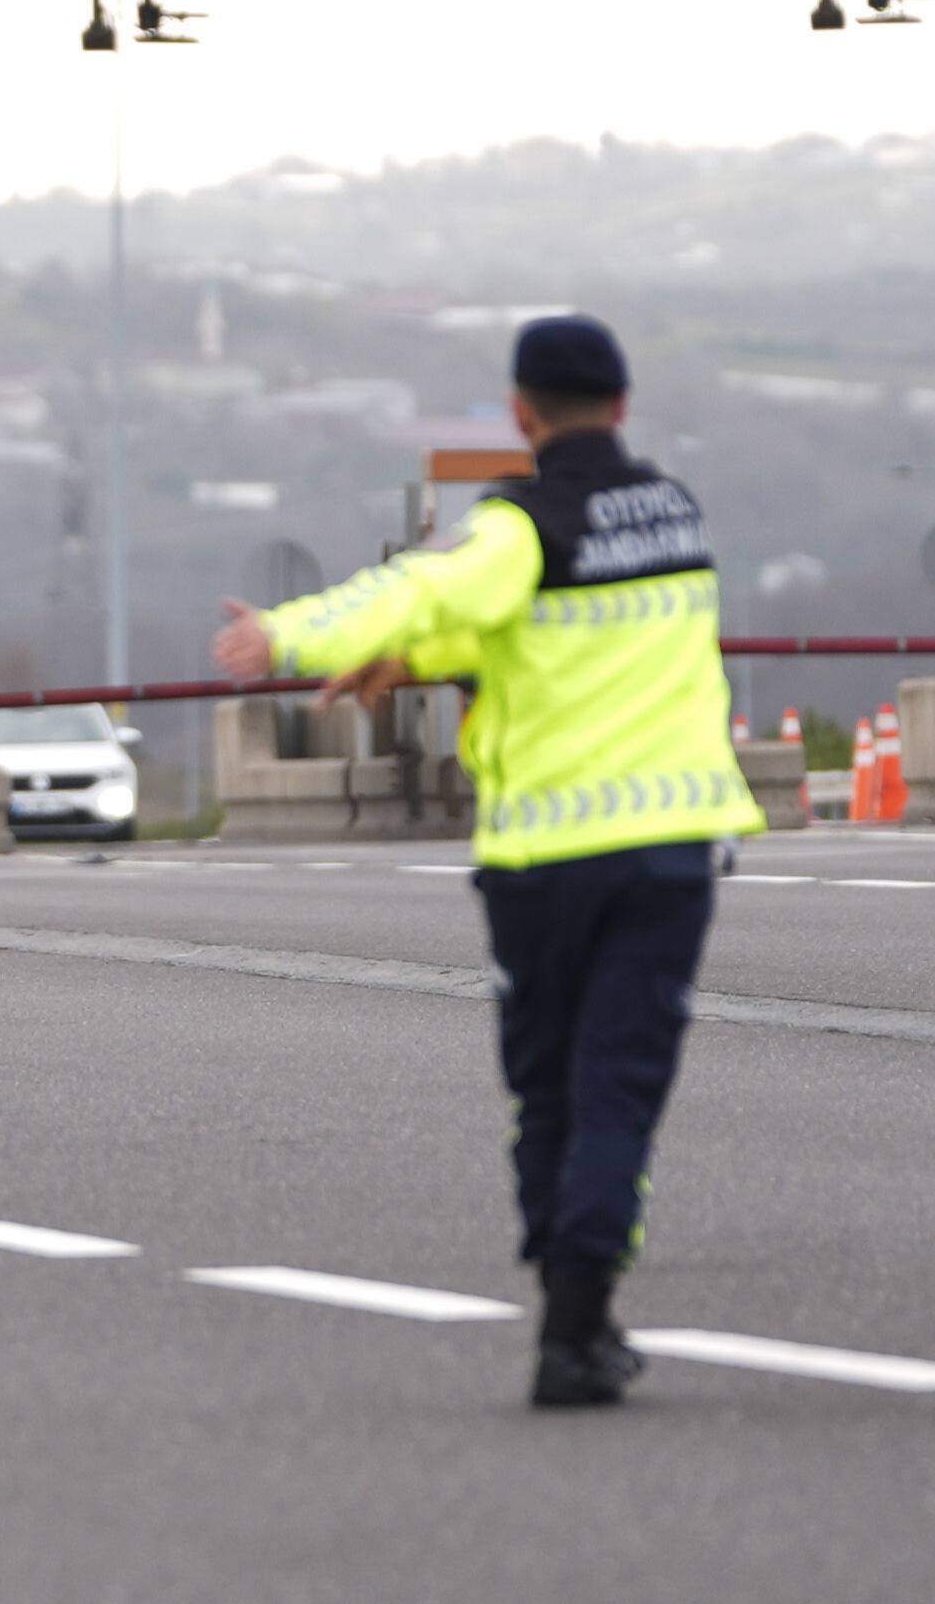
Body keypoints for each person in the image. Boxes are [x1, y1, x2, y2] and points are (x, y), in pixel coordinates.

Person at [209, 315, 761, 1408]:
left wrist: (291, 634)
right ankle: (579, 1319)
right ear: (622, 403)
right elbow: (526, 629)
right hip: (668, 855)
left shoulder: (520, 525)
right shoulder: (675, 514)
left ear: (520, 412)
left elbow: (427, 589)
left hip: (545, 858)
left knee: (546, 1093)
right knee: (619, 1089)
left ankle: (568, 1306)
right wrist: (418, 657)